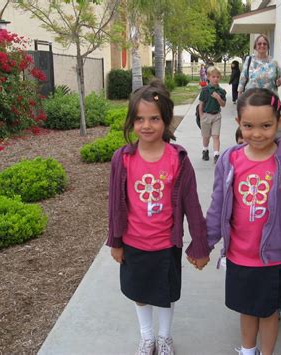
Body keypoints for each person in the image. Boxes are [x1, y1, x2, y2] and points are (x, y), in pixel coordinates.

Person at [107, 80, 210, 355]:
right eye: (139, 119)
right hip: (134, 243)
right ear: (131, 122)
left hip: (166, 244)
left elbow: (192, 205)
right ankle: (147, 337)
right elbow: (114, 204)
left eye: (154, 118)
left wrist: (200, 244)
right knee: (140, 293)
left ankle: (164, 338)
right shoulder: (123, 159)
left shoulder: (178, 159)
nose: (147, 125)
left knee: (164, 294)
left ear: (166, 120)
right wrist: (115, 241)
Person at [206, 88, 281, 355]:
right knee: (246, 308)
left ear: (280, 122)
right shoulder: (230, 161)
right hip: (240, 255)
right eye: (248, 126)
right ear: (238, 124)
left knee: (269, 312)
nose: (257, 133)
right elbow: (218, 204)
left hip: (273, 258)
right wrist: (205, 242)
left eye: (266, 125)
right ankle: (247, 350)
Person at [198, 66, 226, 164]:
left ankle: (216, 154)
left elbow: (223, 105)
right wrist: (201, 116)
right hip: (206, 115)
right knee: (206, 137)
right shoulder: (205, 90)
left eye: (217, 77)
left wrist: (218, 98)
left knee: (216, 136)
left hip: (216, 116)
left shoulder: (221, 91)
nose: (215, 79)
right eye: (213, 77)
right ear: (208, 77)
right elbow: (201, 105)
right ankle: (205, 150)